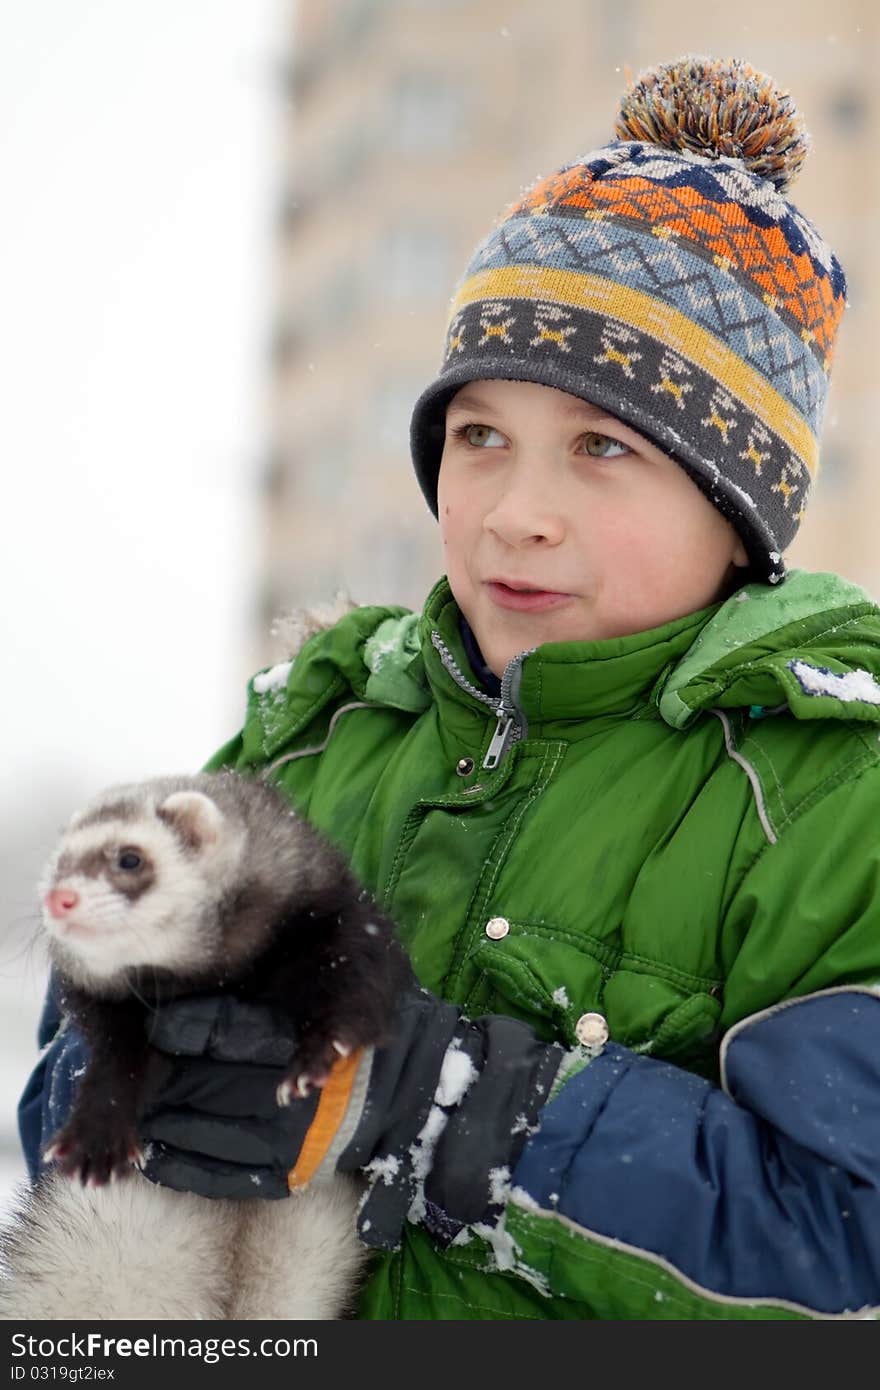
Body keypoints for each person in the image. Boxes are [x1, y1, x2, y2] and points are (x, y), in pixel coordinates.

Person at [18, 56, 880, 1320]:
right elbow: (62, 1104)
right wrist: (154, 1071)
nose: (513, 515)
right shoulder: (314, 729)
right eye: (479, 436)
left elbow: (845, 1249)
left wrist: (447, 1100)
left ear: (733, 503)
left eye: (602, 448)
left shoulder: (829, 800)